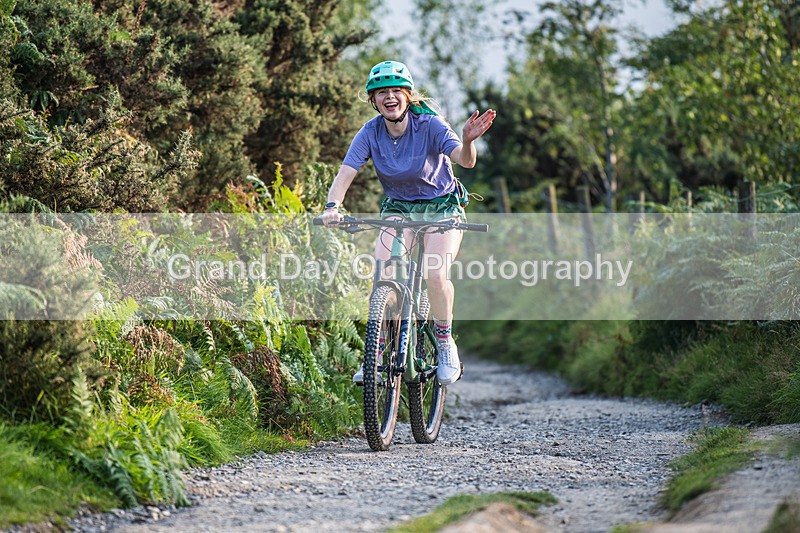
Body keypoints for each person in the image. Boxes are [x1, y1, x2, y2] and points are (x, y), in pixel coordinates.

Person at [321, 60, 495, 385]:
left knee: (434, 272)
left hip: (442, 207)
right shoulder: (370, 131)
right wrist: (333, 206)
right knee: (383, 272)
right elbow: (345, 173)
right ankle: (377, 353)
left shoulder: (430, 124)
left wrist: (469, 140)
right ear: (373, 100)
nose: (389, 98)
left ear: (408, 95)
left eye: (395, 91)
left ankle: (444, 342)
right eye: (381, 93)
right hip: (399, 208)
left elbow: (465, 161)